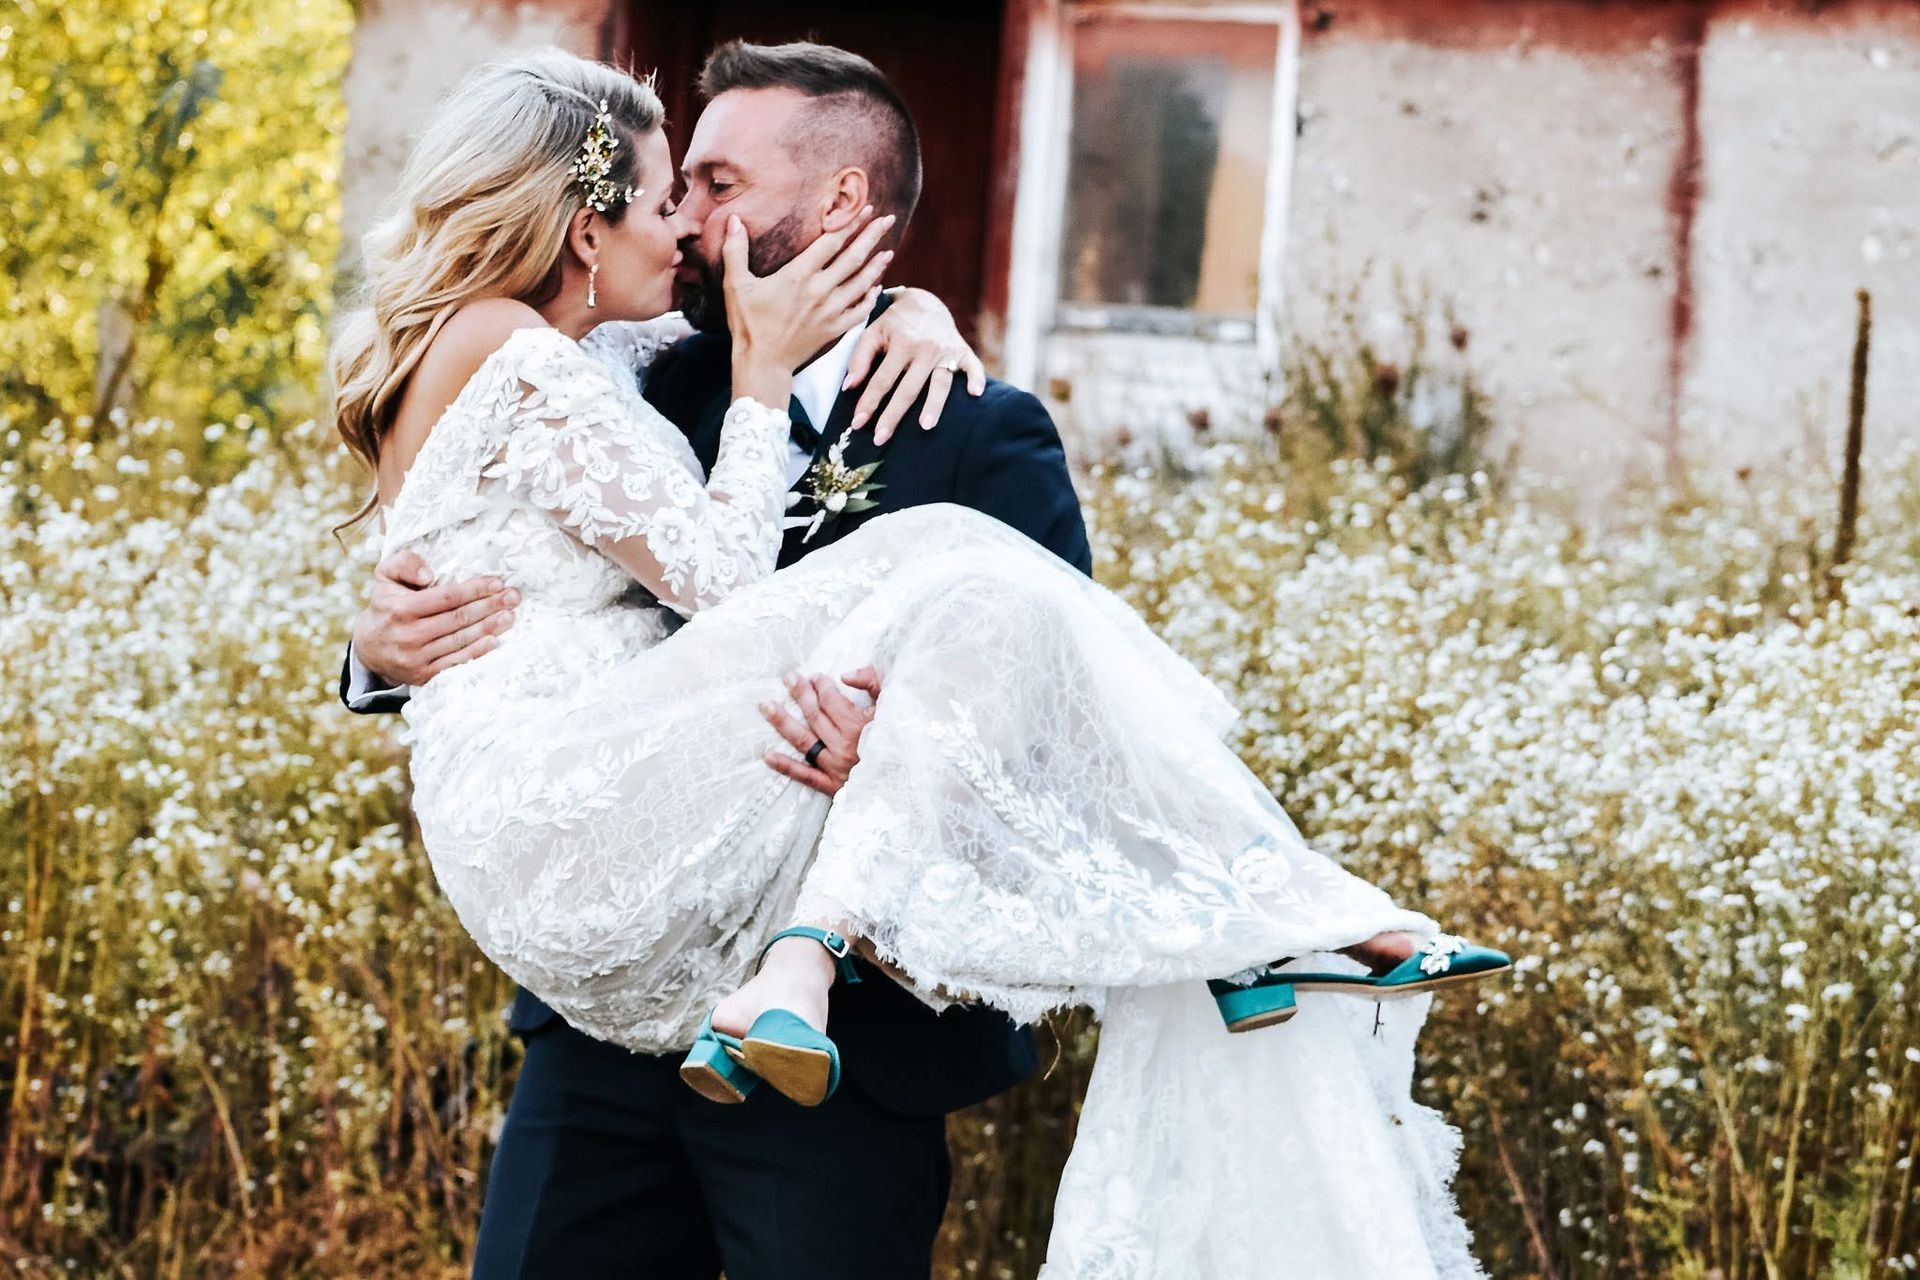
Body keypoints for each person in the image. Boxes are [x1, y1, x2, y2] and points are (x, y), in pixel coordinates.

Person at [339, 44, 1505, 1280]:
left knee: (985, 582)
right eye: (672, 188)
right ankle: (1281, 914)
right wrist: (373, 652)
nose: (687, 220)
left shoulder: (978, 426)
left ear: (842, 206)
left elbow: (1048, 700)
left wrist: (900, 745)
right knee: (953, 558)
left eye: (718, 181)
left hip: (840, 1068)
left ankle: (1249, 923)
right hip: (604, 1014)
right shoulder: (644, 365)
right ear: (588, 225)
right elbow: (499, 556)